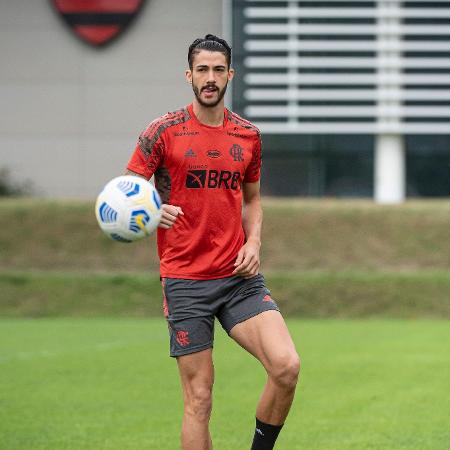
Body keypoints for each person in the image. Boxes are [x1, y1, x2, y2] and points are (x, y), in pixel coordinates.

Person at [125, 34, 300, 450]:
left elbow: (253, 200)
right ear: (189, 75)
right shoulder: (162, 131)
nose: (210, 78)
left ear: (229, 75)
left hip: (238, 277)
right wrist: (150, 211)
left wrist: (254, 242)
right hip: (185, 280)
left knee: (286, 366)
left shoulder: (248, 136)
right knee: (199, 399)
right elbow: (128, 191)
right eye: (202, 69)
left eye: (218, 69)